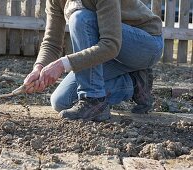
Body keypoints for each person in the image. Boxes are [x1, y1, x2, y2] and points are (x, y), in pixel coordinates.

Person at [23, 0, 164, 121]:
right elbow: (52, 43)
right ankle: (135, 83)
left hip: (145, 45)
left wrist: (62, 64)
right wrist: (39, 68)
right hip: (111, 53)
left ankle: (93, 99)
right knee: (62, 101)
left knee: (81, 18)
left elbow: (110, 45)